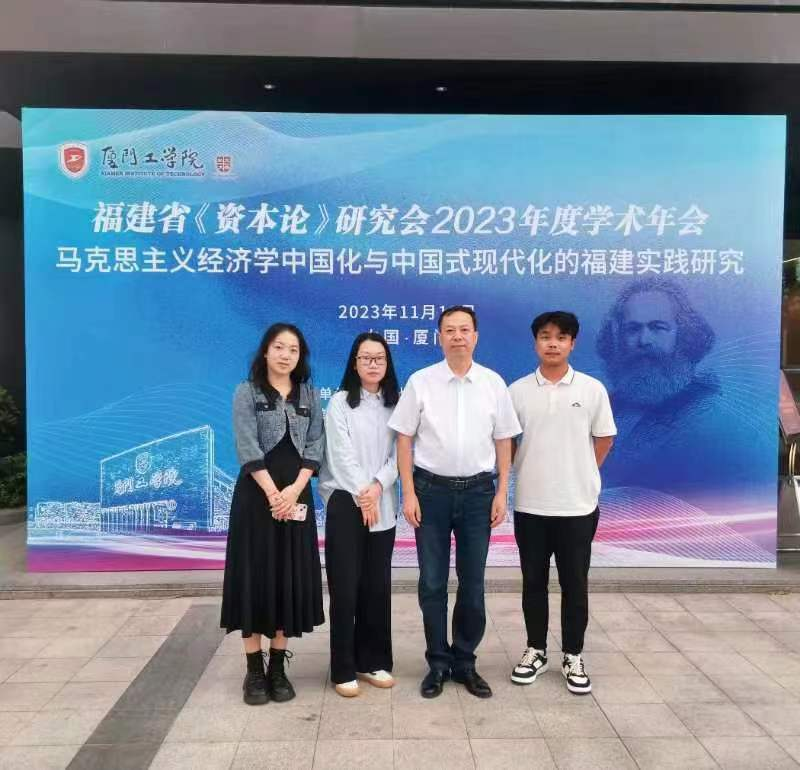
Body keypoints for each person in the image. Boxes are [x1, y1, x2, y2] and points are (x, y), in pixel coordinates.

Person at [388, 305, 521, 700]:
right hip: (431, 493)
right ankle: (437, 663)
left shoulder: (493, 383)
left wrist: (502, 492)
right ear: (439, 337)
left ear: (475, 336)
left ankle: (465, 661)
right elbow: (404, 439)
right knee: (431, 582)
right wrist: (408, 492)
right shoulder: (421, 381)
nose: (458, 336)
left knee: (473, 582)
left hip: (479, 494)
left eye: (465, 329)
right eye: (450, 330)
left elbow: (504, 440)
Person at [509, 311, 616, 694]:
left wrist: (581, 469)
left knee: (575, 584)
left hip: (576, 507)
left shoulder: (591, 389)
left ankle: (573, 654)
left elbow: (604, 438)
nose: (552, 343)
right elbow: (506, 442)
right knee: (533, 583)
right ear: (535, 342)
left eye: (561, 337)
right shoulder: (517, 391)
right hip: (530, 505)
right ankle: (535, 650)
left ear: (573, 343)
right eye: (545, 336)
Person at [221, 323, 325, 706]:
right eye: (279, 347)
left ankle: (278, 669)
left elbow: (316, 443)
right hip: (256, 497)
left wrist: (294, 491)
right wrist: (272, 493)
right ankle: (254, 671)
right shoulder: (246, 392)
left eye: (293, 350)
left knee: (287, 578)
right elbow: (247, 445)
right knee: (254, 577)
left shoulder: (309, 394)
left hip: (296, 495)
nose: (285, 355)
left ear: (300, 357)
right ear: (265, 351)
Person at [319, 332, 400, 697]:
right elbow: (339, 454)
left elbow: (401, 453)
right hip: (345, 502)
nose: (372, 364)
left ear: (387, 363)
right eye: (365, 358)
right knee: (345, 587)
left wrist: (378, 486)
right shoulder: (339, 403)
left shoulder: (397, 404)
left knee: (376, 586)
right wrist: (363, 494)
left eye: (379, 358)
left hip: (382, 502)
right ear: (354, 363)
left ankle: (373, 660)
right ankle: (343, 667)